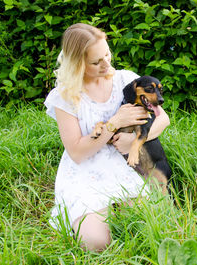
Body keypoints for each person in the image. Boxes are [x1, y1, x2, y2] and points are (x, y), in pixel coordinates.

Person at [44, 23, 170, 252]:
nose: (107, 64)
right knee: (96, 242)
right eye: (96, 62)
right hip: (85, 172)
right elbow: (77, 153)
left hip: (125, 164)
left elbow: (163, 120)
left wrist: (133, 141)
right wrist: (114, 124)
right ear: (77, 64)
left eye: (107, 54)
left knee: (152, 224)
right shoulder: (65, 96)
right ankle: (98, 213)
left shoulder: (126, 80)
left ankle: (118, 206)